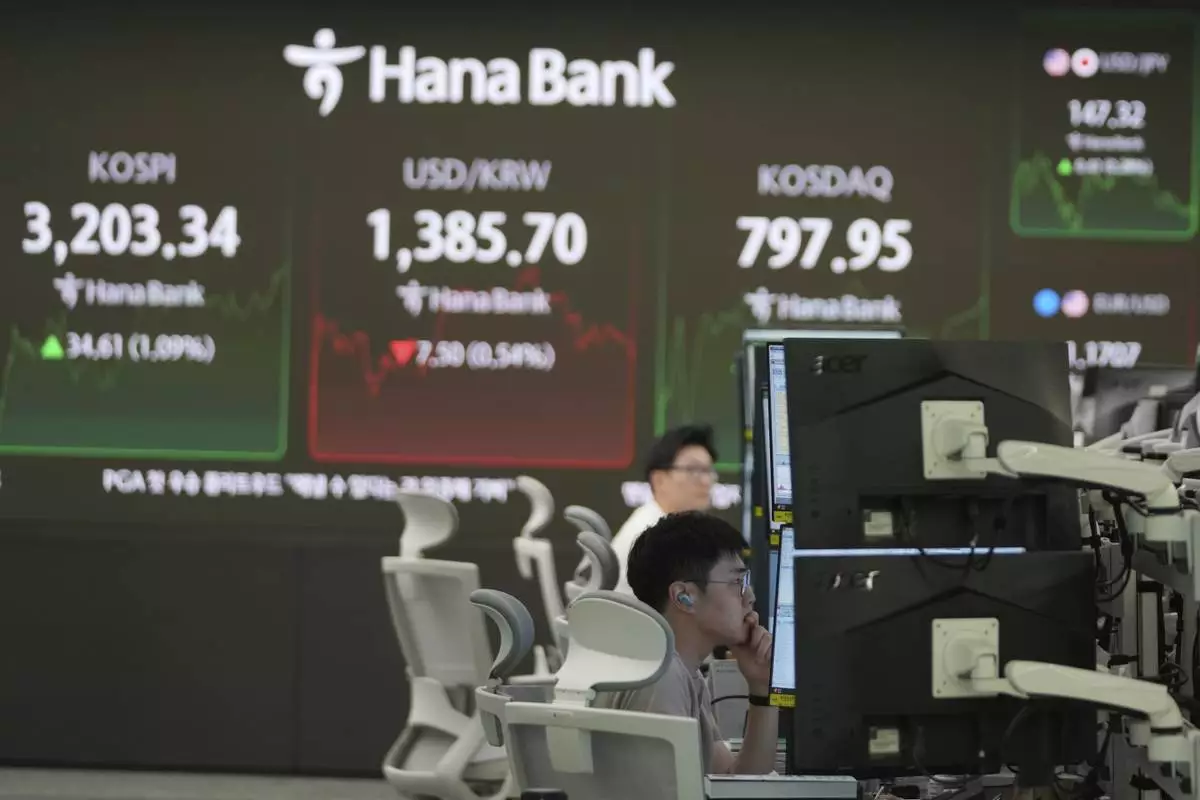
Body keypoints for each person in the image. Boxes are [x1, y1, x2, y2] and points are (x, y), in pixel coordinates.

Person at [595, 512, 778, 776]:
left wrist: (761, 688)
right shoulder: (660, 677)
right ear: (684, 597)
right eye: (736, 582)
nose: (749, 596)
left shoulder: (682, 670)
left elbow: (739, 782)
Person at [611, 424, 718, 594]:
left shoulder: (664, 527)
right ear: (659, 480)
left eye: (708, 470)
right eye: (693, 470)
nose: (706, 481)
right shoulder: (652, 539)